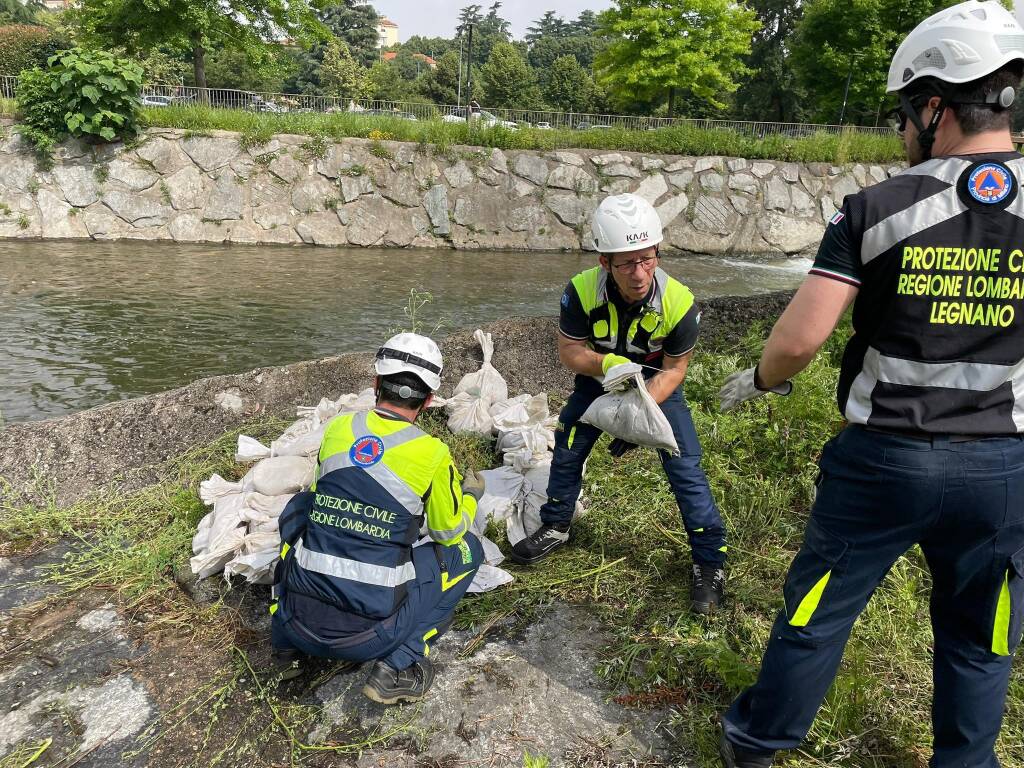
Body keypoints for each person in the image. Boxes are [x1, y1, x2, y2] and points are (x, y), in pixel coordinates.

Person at [716, 2, 1024, 765]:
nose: (901, 132)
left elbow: (799, 342)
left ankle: (759, 745)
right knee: (982, 634)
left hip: (886, 462)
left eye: (903, 114)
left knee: (819, 611)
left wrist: (760, 380)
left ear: (935, 105)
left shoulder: (877, 210)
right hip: (1002, 468)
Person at [510, 192, 729, 614]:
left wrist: (637, 415)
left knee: (685, 466)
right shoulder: (579, 291)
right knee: (569, 440)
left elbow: (674, 371)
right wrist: (608, 362)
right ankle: (556, 524)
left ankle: (710, 563)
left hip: (655, 387)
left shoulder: (680, 303)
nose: (640, 273)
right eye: (627, 262)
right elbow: (571, 352)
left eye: (648, 259)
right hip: (599, 380)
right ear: (604, 262)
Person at [270, 332, 485, 704]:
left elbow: (325, 496)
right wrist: (468, 499)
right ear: (430, 400)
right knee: (468, 550)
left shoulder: (339, 428)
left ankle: (284, 649)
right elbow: (447, 531)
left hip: (297, 621)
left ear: (375, 384)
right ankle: (398, 666)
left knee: (302, 512)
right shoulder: (432, 453)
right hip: (369, 637)